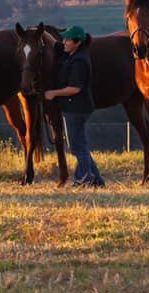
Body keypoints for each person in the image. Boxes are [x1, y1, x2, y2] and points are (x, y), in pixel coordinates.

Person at [44, 25, 104, 187]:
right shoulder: (71, 53)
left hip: (77, 109)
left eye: (67, 40)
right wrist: (42, 32)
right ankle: (96, 180)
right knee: (80, 145)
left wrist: (53, 93)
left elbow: (75, 88)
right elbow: (56, 44)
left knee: (77, 147)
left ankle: (83, 179)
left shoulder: (80, 61)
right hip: (74, 108)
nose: (64, 42)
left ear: (77, 43)